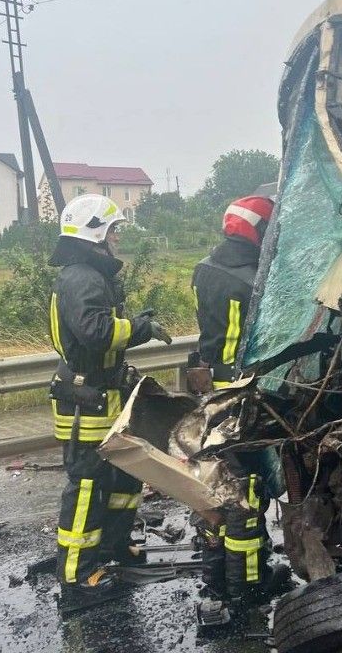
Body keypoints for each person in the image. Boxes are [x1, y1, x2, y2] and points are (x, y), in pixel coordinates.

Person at [48, 194, 172, 597]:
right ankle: (76, 573)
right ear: (95, 233)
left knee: (122, 477)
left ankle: (113, 545)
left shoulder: (90, 273)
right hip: (87, 400)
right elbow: (96, 332)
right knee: (86, 484)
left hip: (104, 393)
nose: (117, 237)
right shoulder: (81, 276)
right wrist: (140, 328)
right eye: (113, 230)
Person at [190, 195, 273, 608]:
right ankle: (248, 587)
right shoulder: (254, 279)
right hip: (244, 395)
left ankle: (217, 576)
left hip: (214, 394)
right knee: (248, 492)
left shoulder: (205, 267)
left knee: (218, 485)